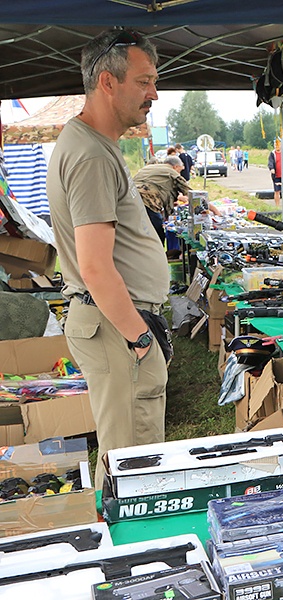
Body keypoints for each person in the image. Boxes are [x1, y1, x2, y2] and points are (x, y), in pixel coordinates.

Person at [45, 28, 169, 487]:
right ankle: (129, 558)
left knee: (124, 460)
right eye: (144, 81)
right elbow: (94, 265)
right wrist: (140, 338)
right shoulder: (91, 155)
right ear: (107, 82)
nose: (154, 94)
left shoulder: (94, 145)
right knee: (133, 472)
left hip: (113, 325)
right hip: (119, 329)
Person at [133, 154, 190, 243]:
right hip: (147, 201)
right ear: (175, 166)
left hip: (129, 199)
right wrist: (215, 211)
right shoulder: (172, 172)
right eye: (181, 170)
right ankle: (157, 254)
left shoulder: (148, 168)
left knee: (137, 233)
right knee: (157, 233)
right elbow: (194, 196)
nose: (181, 172)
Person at [268, 138, 283, 209]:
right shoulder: (272, 154)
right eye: (275, 144)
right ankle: (277, 206)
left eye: (278, 144)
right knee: (277, 191)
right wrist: (271, 168)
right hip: (276, 175)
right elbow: (270, 162)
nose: (276, 146)